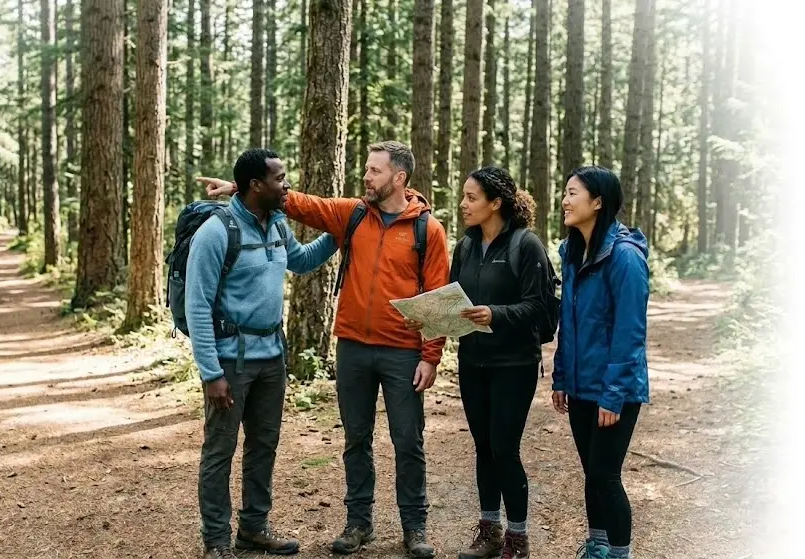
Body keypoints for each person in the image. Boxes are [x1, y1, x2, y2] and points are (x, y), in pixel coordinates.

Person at [200, 141, 450, 559]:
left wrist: (430, 355)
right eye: (367, 170)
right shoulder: (353, 212)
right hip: (352, 346)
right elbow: (302, 205)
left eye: (374, 171)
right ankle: (358, 523)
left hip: (402, 352)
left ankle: (415, 527)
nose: (366, 177)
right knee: (356, 439)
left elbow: (439, 297)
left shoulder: (429, 230)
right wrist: (238, 188)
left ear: (399, 178)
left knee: (408, 440)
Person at [187, 148, 340, 559]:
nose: (286, 185)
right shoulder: (217, 231)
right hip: (230, 362)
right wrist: (210, 372)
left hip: (272, 356)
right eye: (280, 178)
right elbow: (197, 305)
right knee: (220, 450)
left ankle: (254, 528)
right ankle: (217, 540)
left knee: (263, 446)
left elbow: (302, 261)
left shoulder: (275, 222)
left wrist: (340, 231)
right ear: (257, 185)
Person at [405, 167, 549, 559]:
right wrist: (429, 317)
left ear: (495, 203)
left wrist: (496, 314)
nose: (464, 204)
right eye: (463, 196)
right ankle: (490, 532)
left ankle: (518, 539)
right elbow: (456, 303)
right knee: (483, 446)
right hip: (473, 361)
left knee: (505, 448)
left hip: (514, 364)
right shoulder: (466, 247)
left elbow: (538, 307)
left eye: (472, 197)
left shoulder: (526, 245)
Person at [550, 166, 649, 559]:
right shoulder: (574, 253)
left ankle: (619, 553)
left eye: (573, 193)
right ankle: (598, 546)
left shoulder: (625, 258)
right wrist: (561, 378)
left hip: (614, 391)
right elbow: (569, 325)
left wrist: (613, 394)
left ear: (597, 202)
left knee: (606, 477)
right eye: (565, 192)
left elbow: (630, 335)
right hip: (581, 384)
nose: (565, 200)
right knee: (592, 474)